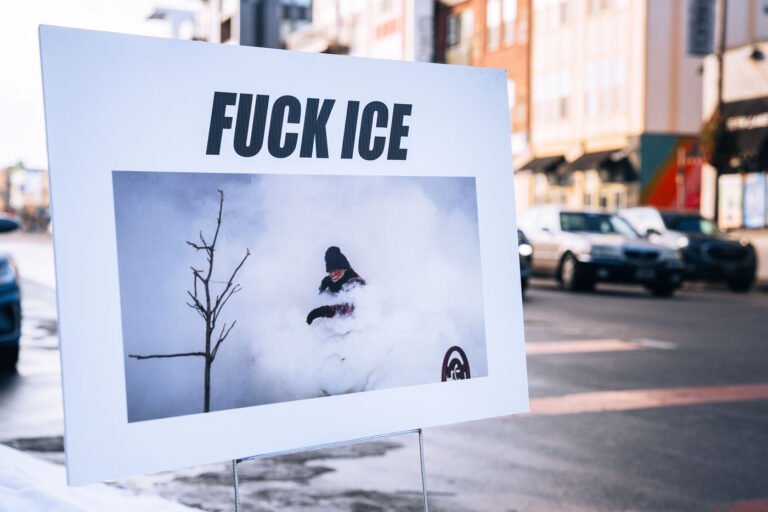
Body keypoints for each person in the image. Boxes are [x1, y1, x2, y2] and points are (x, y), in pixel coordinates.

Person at [306, 246, 366, 325]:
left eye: (336, 270)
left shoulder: (356, 282)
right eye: (330, 271)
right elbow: (321, 298)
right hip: (334, 323)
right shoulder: (327, 281)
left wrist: (321, 311)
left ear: (344, 268)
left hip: (356, 324)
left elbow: (348, 308)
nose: (333, 274)